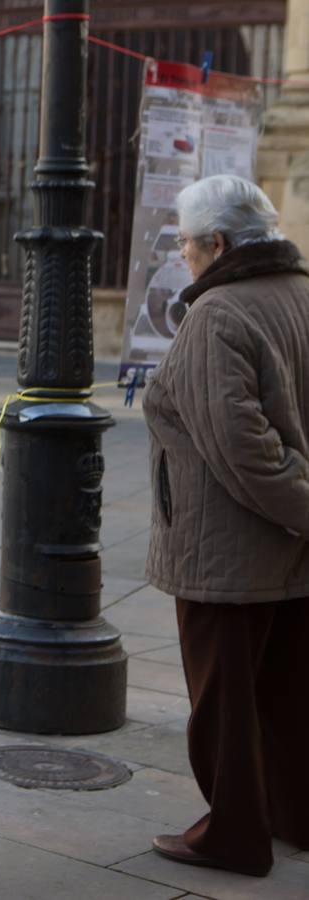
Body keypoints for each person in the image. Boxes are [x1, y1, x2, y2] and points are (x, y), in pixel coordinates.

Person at [142, 173, 309, 878]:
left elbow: (244, 450)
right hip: (288, 549)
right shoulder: (301, 293)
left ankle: (233, 834)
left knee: (226, 703)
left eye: (184, 244)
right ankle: (291, 817)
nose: (181, 256)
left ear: (218, 243)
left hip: (227, 551)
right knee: (285, 694)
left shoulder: (218, 314)